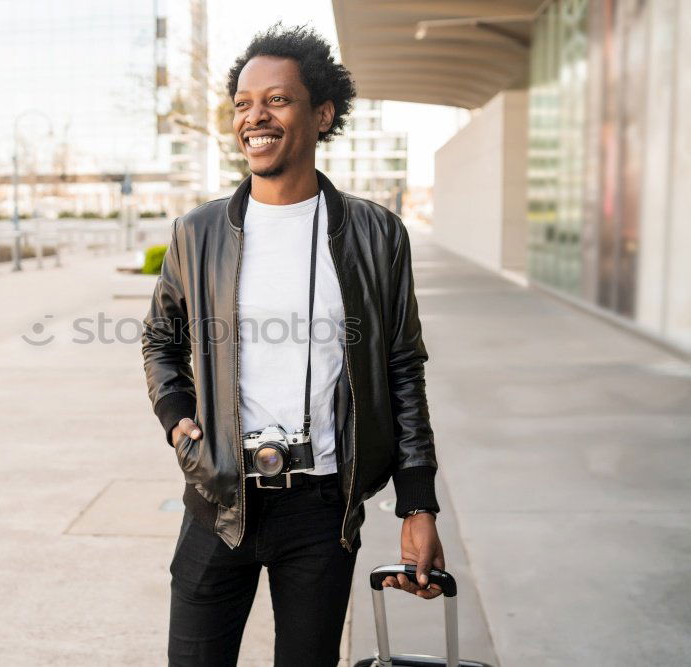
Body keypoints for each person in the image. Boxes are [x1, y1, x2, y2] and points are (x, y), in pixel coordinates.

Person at [141, 23, 445, 667]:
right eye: (243, 104)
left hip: (322, 509)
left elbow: (402, 367)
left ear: (323, 112)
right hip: (218, 499)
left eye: (276, 100)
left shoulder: (376, 233)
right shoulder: (198, 233)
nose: (255, 116)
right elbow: (160, 336)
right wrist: (177, 423)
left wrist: (417, 502)